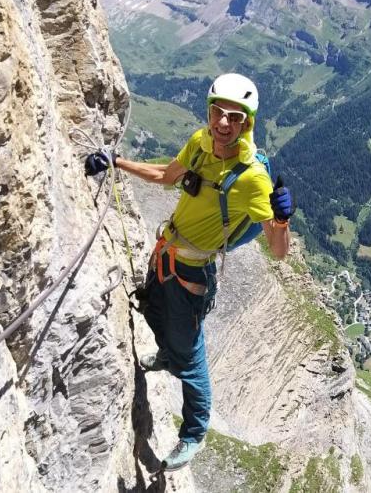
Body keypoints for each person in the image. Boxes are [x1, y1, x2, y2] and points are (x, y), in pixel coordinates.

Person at [84, 73, 293, 471]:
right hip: (165, 253)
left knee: (192, 357)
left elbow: (279, 253)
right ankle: (166, 354)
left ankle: (194, 433)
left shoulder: (252, 177)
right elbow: (166, 175)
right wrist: (116, 162)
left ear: (248, 122)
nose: (224, 123)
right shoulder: (200, 144)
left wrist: (282, 219)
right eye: (219, 113)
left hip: (192, 272)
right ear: (210, 112)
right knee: (153, 310)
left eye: (236, 117)